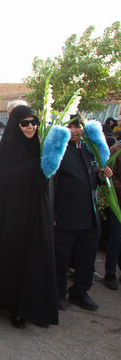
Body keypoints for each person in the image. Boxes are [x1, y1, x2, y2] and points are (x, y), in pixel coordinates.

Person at [0, 105, 58, 328]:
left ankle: (23, 308)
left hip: (33, 218)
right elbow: (0, 183)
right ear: (16, 125)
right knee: (8, 259)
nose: (30, 127)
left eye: (33, 122)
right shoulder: (7, 151)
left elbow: (48, 187)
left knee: (30, 261)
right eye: (24, 123)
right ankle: (3, 302)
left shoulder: (41, 151)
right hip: (8, 218)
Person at [54, 116, 112, 311]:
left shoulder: (90, 150)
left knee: (86, 259)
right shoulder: (58, 151)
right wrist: (53, 215)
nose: (74, 130)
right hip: (66, 217)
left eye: (77, 126)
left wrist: (105, 176)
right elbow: (51, 186)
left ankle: (80, 292)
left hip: (90, 216)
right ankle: (58, 294)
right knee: (61, 261)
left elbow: (96, 181)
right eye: (69, 126)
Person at [105, 140, 121, 290]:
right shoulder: (116, 150)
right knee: (116, 238)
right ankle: (110, 273)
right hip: (118, 203)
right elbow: (110, 176)